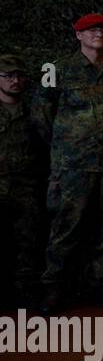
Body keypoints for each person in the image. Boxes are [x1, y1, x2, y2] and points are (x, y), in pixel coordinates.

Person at [32, 13, 103, 312]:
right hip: (72, 166)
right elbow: (41, 117)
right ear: (78, 35)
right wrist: (66, 147)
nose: (98, 34)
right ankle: (54, 290)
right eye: (90, 30)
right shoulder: (55, 69)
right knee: (65, 228)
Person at [0, 53, 46, 309]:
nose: (14, 80)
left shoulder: (34, 111)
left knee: (28, 243)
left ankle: (26, 297)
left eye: (18, 76)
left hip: (26, 186)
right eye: (8, 76)